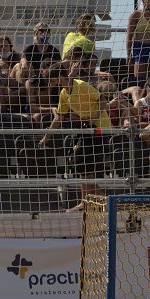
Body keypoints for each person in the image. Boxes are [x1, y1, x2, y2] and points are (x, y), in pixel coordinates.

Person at [40, 57, 112, 207]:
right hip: (86, 129)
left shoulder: (82, 85)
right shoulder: (64, 94)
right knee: (81, 168)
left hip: (99, 129)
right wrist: (46, 137)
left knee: (86, 170)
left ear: (59, 78)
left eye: (52, 81)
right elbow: (58, 117)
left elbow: (102, 99)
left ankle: (86, 203)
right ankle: (103, 202)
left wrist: (96, 115)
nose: (50, 84)